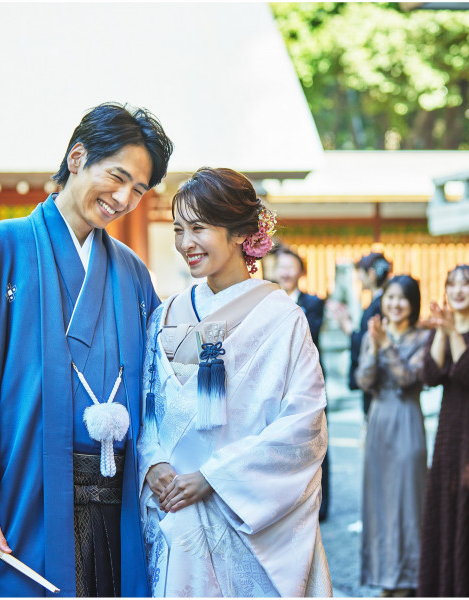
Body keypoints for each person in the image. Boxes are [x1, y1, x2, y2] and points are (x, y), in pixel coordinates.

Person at [0, 102, 173, 597]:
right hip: (23, 497)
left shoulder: (132, 272)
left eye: (138, 191)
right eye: (117, 177)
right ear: (77, 157)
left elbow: (159, 385)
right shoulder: (1, 247)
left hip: (112, 505)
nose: (122, 199)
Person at [137, 167, 332, 597]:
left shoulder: (283, 319)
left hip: (243, 516)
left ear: (241, 232)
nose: (186, 243)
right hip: (178, 514)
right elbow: (150, 405)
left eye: (199, 228)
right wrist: (152, 461)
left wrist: (215, 476)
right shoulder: (167, 314)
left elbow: (303, 424)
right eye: (178, 229)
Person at [417, 265, 469, 597]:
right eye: (452, 284)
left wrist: (452, 332)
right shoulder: (444, 329)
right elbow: (430, 375)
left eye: (467, 284)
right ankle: (444, 586)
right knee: (445, 503)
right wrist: (444, 332)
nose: (458, 290)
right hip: (448, 432)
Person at [355, 275, 429, 598]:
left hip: (407, 420)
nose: (395, 304)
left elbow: (408, 380)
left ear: (413, 303)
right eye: (390, 298)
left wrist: (385, 345)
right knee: (380, 503)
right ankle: (386, 576)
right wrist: (373, 346)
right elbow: (364, 380)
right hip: (379, 421)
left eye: (402, 298)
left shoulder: (425, 336)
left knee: (408, 504)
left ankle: (410, 578)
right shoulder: (373, 334)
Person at [274, 245, 330, 521]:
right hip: (277, 378)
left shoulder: (313, 302)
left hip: (308, 376)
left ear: (301, 271)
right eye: (280, 265)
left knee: (314, 437)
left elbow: (312, 333)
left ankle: (321, 503)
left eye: (290, 266)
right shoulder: (266, 300)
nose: (285, 271)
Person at [330, 252, 391, 417]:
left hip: (378, 382)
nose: (358, 279)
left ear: (371, 274)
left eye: (361, 274)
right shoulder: (379, 302)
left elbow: (369, 341)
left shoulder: (381, 305)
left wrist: (347, 327)